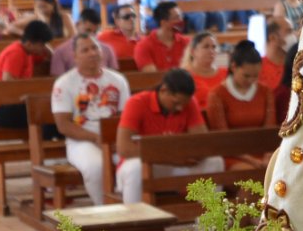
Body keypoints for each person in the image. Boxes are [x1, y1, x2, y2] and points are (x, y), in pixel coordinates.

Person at [114, 69, 224, 204]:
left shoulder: (188, 103)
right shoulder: (137, 102)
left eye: (184, 104)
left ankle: (208, 222)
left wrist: (192, 154)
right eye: (176, 103)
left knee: (214, 161)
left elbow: (202, 141)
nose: (180, 109)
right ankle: (134, 219)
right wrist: (170, 157)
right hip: (147, 163)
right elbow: (124, 149)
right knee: (136, 168)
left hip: (176, 164)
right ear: (164, 90)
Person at [49, 35, 132, 205]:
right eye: (85, 50)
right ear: (75, 56)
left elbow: (125, 116)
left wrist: (118, 138)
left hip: (115, 138)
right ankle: (104, 210)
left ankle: (130, 208)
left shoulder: (118, 80)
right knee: (96, 167)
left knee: (134, 164)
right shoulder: (64, 83)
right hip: (81, 140)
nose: (92, 53)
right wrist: (95, 138)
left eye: (95, 48)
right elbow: (63, 125)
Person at [205, 40, 276, 131]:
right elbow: (221, 136)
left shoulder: (265, 92)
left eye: (255, 76)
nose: (251, 80)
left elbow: (270, 130)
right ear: (233, 67)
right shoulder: (217, 94)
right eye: (246, 76)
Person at [51, 7, 122, 76]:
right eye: (88, 30)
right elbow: (57, 80)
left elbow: (114, 76)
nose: (91, 35)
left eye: (95, 32)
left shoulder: (107, 49)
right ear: (77, 25)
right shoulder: (60, 52)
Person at [134, 0, 190, 71]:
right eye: (177, 18)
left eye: (181, 17)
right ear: (163, 22)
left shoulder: (187, 42)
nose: (181, 20)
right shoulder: (143, 46)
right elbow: (151, 76)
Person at [183, 30, 228, 106]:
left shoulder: (226, 72)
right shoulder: (184, 76)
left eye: (214, 47)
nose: (211, 51)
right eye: (206, 47)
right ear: (193, 52)